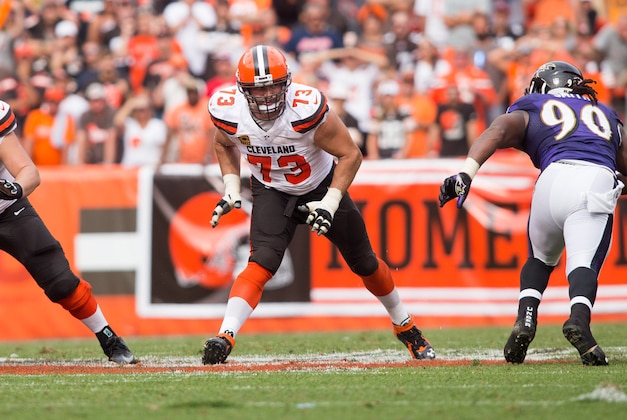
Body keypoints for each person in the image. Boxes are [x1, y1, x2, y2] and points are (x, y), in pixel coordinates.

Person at [202, 44, 435, 365]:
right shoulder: (228, 110)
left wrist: (330, 201)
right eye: (259, 88)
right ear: (243, 91)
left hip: (321, 184)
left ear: (287, 83)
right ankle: (225, 335)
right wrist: (231, 186)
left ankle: (405, 325)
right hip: (272, 189)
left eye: (273, 85)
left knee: (364, 263)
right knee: (262, 261)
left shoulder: (305, 108)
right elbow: (222, 142)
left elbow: (351, 154)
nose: (268, 95)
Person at [439, 61, 627, 366]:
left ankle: (525, 319)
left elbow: (498, 130)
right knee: (583, 262)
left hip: (550, 180)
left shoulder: (534, 105)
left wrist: (467, 173)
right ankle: (578, 320)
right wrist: (615, 184)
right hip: (593, 180)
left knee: (539, 258)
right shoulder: (606, 114)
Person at [0, 99, 136, 364]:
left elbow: (28, 171)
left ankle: (108, 337)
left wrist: (15, 189)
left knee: (60, 281)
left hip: (6, 208)